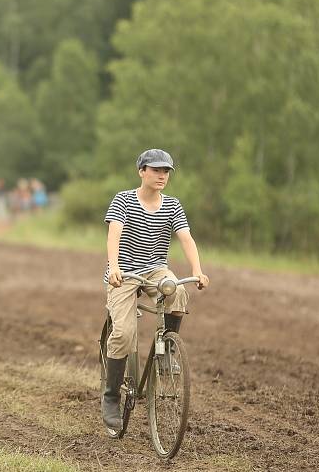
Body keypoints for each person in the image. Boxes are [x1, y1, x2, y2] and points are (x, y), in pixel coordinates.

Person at [101, 148, 210, 433]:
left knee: (178, 291)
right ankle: (111, 397)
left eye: (166, 171)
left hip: (154, 270)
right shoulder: (123, 199)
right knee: (124, 334)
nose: (162, 175)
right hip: (123, 273)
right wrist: (113, 266)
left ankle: (167, 352)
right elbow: (114, 234)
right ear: (142, 172)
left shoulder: (173, 205)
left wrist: (197, 270)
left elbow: (185, 238)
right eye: (156, 170)